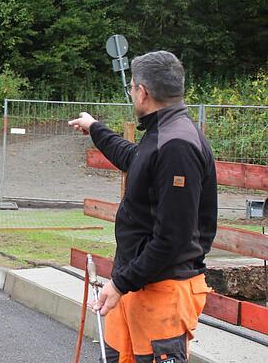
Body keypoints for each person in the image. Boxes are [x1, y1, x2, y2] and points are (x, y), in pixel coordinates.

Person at [68, 51, 217, 362]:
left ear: (143, 92)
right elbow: (134, 158)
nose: (132, 94)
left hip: (162, 295)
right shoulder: (162, 134)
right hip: (136, 287)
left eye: (132, 88)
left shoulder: (177, 146)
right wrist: (96, 128)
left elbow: (172, 238)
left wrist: (121, 282)